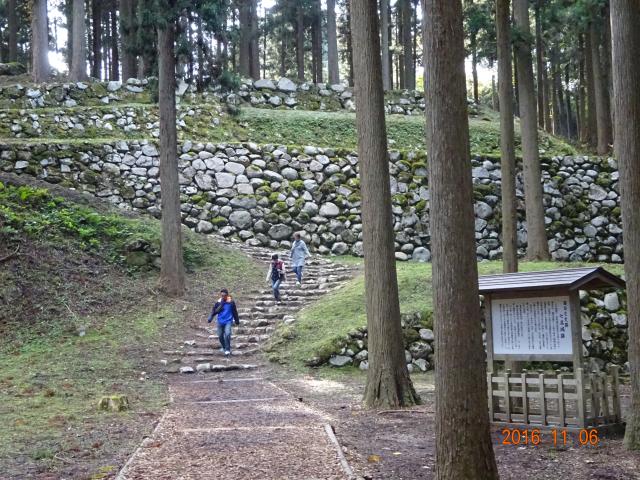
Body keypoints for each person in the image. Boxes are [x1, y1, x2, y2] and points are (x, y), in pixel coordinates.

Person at [207, 288, 239, 356]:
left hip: (228, 321)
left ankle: (227, 350)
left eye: (224, 295)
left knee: (227, 334)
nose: (223, 297)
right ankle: (224, 347)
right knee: (220, 335)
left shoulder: (231, 302)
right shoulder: (219, 302)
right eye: (222, 295)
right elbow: (214, 311)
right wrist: (210, 318)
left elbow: (235, 312)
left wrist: (237, 320)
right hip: (220, 321)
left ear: (227, 295)